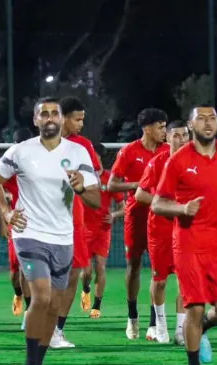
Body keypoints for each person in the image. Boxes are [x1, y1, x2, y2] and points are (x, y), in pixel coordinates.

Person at [0, 97, 100, 365]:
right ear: (35, 120)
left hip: (63, 238)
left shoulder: (78, 152)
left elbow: (96, 199)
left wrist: (79, 187)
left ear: (62, 119)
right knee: (41, 296)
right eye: (43, 114)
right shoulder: (21, 151)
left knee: (54, 306)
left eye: (54, 113)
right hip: (29, 234)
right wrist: (7, 211)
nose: (49, 118)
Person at [151, 105, 217, 365]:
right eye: (201, 118)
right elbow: (157, 203)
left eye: (212, 117)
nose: (208, 123)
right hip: (189, 243)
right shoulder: (178, 161)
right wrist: (182, 209)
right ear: (191, 125)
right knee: (195, 307)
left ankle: (202, 330)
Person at [108, 109, 169, 339]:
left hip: (161, 215)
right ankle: (132, 316)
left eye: (165, 126)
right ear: (147, 129)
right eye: (160, 126)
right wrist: (139, 185)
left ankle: (155, 324)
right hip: (136, 215)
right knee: (134, 266)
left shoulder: (167, 151)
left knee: (159, 271)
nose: (164, 131)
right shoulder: (129, 152)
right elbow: (112, 185)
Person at [51, 96, 103, 348]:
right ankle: (38, 315)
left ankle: (56, 330)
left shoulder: (83, 147)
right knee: (44, 276)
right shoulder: (40, 144)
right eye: (77, 119)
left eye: (83, 119)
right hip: (44, 220)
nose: (81, 123)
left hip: (74, 220)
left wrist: (83, 184)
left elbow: (94, 183)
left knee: (73, 274)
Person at [134, 120, 190, 344]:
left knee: (186, 281)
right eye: (176, 135)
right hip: (160, 230)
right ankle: (160, 325)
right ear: (167, 138)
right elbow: (140, 195)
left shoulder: (196, 163)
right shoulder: (158, 163)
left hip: (186, 231)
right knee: (160, 281)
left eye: (185, 135)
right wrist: (167, 207)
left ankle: (179, 330)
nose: (181, 139)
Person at [81, 141, 124, 319]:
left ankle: (97, 306)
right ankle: (85, 289)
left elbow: (124, 206)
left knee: (100, 267)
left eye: (94, 156)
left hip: (102, 230)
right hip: (83, 229)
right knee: (87, 272)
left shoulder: (109, 178)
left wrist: (113, 215)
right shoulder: (81, 178)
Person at [5, 127, 33, 325]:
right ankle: (18, 294)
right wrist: (4, 219)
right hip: (14, 225)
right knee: (15, 273)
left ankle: (30, 313)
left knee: (26, 270)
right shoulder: (6, 171)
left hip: (34, 226)